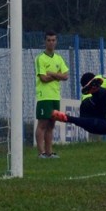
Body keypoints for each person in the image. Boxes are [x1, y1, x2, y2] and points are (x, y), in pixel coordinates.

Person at [35, 30, 69, 158]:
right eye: (49, 40)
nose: (51, 42)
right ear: (45, 42)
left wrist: (52, 74)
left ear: (56, 42)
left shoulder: (59, 58)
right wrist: (58, 76)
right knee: (42, 124)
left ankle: (49, 152)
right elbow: (43, 78)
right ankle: (41, 152)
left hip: (55, 96)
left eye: (53, 40)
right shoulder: (40, 58)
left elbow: (65, 76)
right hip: (44, 96)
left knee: (51, 125)